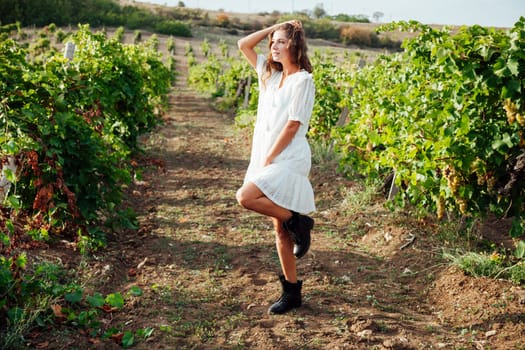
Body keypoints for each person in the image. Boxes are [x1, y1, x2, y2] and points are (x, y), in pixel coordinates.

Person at [236, 20, 316, 315]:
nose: (274, 46)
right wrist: (274, 26)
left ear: (295, 45)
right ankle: (292, 292)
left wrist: (270, 156)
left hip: (288, 157)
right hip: (267, 155)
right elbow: (243, 44)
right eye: (272, 42)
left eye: (281, 41)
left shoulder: (303, 81)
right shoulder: (270, 75)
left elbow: (294, 124)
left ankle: (300, 222)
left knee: (245, 197)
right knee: (280, 230)